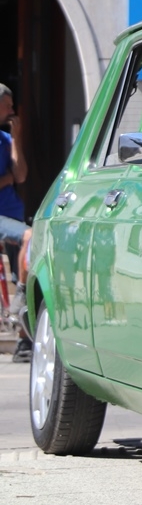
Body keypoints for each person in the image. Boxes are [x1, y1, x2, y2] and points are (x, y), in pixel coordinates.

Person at [0, 84, 31, 361]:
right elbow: (12, 178)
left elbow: (20, 175)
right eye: (8, 106)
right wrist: (7, 179)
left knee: (26, 260)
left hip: (13, 215)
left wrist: (16, 139)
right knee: (30, 237)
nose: (12, 110)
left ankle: (23, 342)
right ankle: (20, 293)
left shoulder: (5, 139)